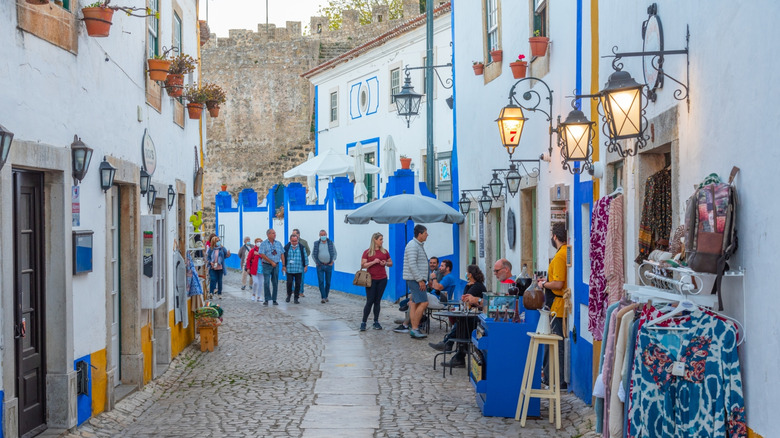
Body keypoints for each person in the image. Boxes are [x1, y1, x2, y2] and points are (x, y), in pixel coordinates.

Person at [430, 264, 487, 368]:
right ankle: (454, 350)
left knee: (463, 323)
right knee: (462, 322)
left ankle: (449, 344)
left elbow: (466, 299)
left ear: (470, 274)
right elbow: (465, 298)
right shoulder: (470, 285)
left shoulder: (478, 286)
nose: (466, 274)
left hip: (477, 319)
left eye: (467, 272)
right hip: (470, 316)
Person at [540, 222, 568, 389]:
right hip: (559, 305)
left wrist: (544, 284)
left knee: (556, 344)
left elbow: (558, 283)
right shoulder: (566, 252)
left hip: (557, 306)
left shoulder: (559, 256)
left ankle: (555, 379)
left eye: (552, 235)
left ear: (555, 237)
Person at [360, 232, 393, 331]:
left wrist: (385, 263)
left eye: (382, 239)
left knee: (377, 301)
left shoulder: (385, 252)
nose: (382, 241)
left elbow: (391, 263)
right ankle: (364, 322)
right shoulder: (367, 252)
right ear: (375, 240)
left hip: (382, 279)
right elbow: (363, 265)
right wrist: (373, 262)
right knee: (370, 301)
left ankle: (376, 321)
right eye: (380, 239)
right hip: (371, 279)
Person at [402, 224, 429, 339]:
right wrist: (420, 280)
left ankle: (413, 328)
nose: (427, 235)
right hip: (415, 279)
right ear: (420, 234)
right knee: (424, 302)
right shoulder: (413, 246)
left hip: (414, 279)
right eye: (425, 233)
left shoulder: (417, 245)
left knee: (414, 303)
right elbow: (412, 265)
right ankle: (415, 328)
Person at [258, 229, 285, 306]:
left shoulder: (278, 243)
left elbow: (282, 254)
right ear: (268, 235)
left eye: (275, 233)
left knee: (275, 282)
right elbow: (262, 254)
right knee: (266, 282)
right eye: (273, 233)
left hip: (276, 265)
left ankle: (274, 299)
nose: (275, 234)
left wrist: (283, 265)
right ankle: (267, 299)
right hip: (267, 265)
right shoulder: (264, 244)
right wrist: (271, 262)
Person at [312, 229, 337, 303]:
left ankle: (326, 296)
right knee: (321, 281)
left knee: (328, 282)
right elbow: (313, 254)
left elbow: (335, 253)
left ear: (326, 235)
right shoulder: (316, 243)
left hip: (329, 265)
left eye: (324, 234)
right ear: (319, 236)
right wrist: (316, 262)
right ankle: (323, 297)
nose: (323, 236)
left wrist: (332, 261)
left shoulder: (330, 243)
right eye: (322, 235)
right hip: (320, 265)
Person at [283, 233, 308, 304]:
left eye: (295, 241)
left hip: (298, 268)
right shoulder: (287, 247)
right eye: (293, 241)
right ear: (290, 240)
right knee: (289, 283)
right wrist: (284, 266)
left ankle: (296, 298)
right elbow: (283, 257)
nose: (294, 242)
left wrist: (306, 266)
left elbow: (305, 256)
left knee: (298, 284)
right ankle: (289, 295)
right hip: (289, 269)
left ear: (297, 240)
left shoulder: (301, 247)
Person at [291, 229, 310, 297]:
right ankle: (292, 290)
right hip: (293, 263)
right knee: (292, 277)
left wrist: (303, 257)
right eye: (292, 234)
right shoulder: (291, 242)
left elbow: (308, 251)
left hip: (301, 263)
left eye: (295, 234)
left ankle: (300, 291)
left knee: (301, 278)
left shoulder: (304, 242)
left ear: (298, 235)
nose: (293, 235)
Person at [245, 237, 264, 302]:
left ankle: (259, 296)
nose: (259, 243)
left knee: (261, 283)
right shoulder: (252, 250)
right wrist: (248, 268)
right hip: (254, 269)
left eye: (260, 242)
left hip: (262, 269)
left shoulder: (263, 250)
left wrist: (258, 254)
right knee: (255, 282)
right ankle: (253, 294)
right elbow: (248, 259)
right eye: (257, 242)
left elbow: (265, 258)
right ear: (255, 243)